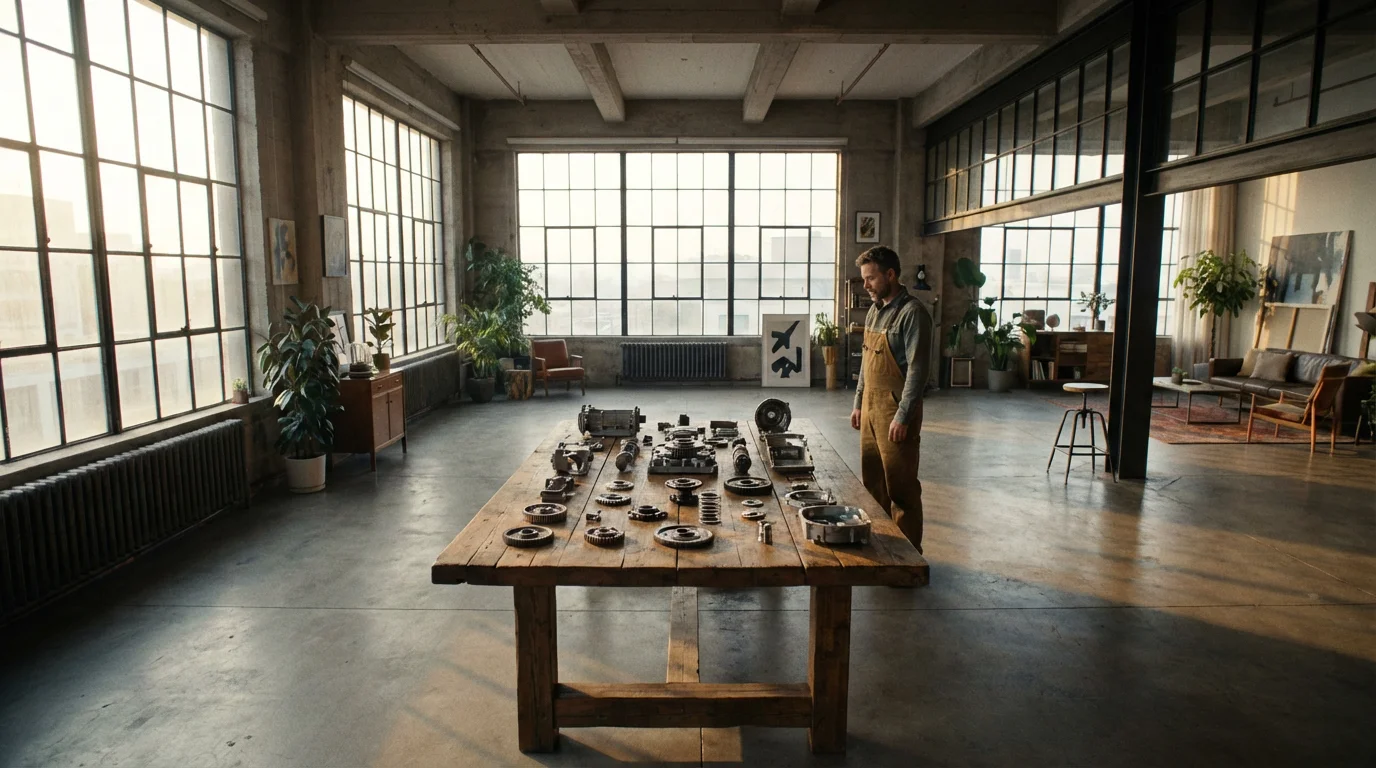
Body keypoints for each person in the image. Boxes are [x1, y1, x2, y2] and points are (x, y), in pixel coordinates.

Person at [849, 245, 932, 553]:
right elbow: (866, 364)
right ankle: (882, 547)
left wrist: (903, 416)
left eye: (871, 279)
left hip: (895, 409)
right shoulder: (874, 311)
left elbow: (917, 372)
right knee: (873, 482)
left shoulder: (913, 314)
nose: (866, 285)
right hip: (870, 407)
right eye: (864, 279)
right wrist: (859, 403)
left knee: (901, 487)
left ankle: (907, 556)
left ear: (891, 274)